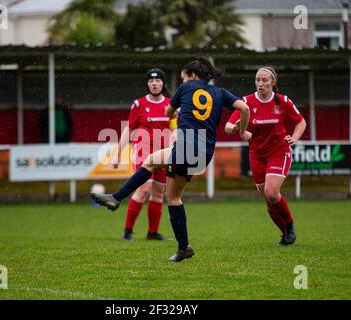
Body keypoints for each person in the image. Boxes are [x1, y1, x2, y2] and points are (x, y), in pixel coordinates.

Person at [91, 57, 250, 262]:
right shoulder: (220, 92)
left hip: (186, 147)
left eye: (184, 79)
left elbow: (168, 112)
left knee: (167, 189)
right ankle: (180, 246)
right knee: (160, 175)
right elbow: (244, 108)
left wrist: (179, 106)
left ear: (192, 76)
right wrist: (243, 131)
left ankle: (118, 199)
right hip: (204, 152)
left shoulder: (185, 89)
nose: (183, 83)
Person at [225, 66, 306, 246]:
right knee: (268, 199)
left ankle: (290, 225)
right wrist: (235, 128)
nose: (260, 84)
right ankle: (285, 233)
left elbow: (301, 122)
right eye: (257, 80)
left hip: (279, 152)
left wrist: (294, 137)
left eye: (264, 80)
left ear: (273, 82)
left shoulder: (282, 101)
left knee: (271, 192)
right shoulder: (246, 103)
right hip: (257, 155)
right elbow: (228, 127)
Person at [113, 68, 177, 241]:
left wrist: (173, 148)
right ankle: (127, 231)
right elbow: (129, 129)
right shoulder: (139, 104)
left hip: (163, 154)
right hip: (143, 151)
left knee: (158, 192)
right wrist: (118, 153)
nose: (154, 84)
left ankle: (152, 232)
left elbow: (174, 129)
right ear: (147, 84)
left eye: (157, 81)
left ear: (163, 83)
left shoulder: (171, 105)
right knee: (143, 189)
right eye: (150, 81)